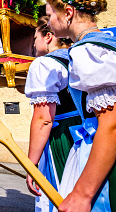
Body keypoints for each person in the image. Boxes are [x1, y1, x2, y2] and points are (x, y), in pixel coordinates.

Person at [44, 0, 116, 212]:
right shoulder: (107, 40)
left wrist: (83, 193)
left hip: (102, 153)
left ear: (68, 13)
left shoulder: (87, 51)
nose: (49, 22)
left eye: (51, 14)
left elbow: (111, 123)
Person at [24, 16, 78, 211]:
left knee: (61, 195)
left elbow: (43, 119)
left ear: (48, 36)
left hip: (63, 138)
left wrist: (31, 165)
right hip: (87, 134)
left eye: (35, 38)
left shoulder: (44, 64)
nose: (33, 43)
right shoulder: (77, 57)